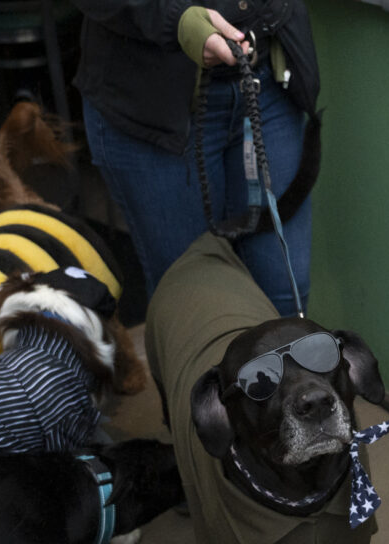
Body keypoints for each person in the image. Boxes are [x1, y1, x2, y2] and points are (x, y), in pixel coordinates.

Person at [69, 1, 319, 316]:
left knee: (284, 299)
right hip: (154, 106)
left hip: (267, 83)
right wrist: (176, 19)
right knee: (195, 312)